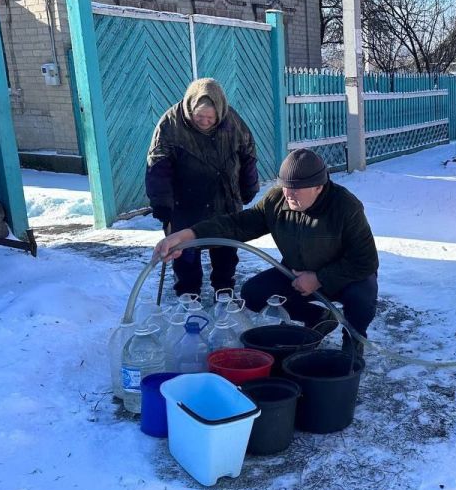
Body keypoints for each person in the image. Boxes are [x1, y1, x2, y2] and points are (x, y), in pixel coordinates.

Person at [154, 148, 379, 358]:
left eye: (296, 189)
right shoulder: (276, 200)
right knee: (253, 293)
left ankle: (353, 340)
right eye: (285, 186)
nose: (289, 194)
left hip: (344, 276)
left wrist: (319, 278)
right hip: (295, 272)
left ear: (318, 186)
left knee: (362, 298)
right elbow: (238, 224)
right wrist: (187, 236)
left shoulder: (345, 207)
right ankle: (318, 317)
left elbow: (366, 260)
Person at [146, 78, 260, 298]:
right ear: (190, 108)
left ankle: (224, 289)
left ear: (219, 111)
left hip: (224, 197)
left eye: (210, 117)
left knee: (226, 247)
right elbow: (157, 166)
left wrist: (249, 187)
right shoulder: (170, 124)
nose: (205, 122)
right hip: (185, 201)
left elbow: (248, 155)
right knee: (184, 251)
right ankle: (188, 294)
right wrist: (161, 203)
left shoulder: (232, 121)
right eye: (200, 117)